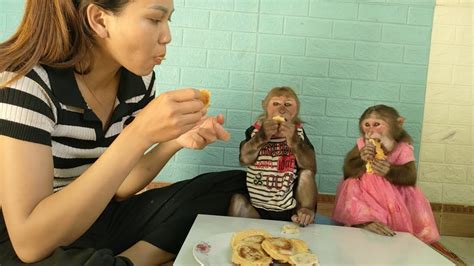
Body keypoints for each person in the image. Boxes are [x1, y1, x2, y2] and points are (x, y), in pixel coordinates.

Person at [0, 0, 248, 265]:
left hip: (99, 216)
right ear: (99, 19)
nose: (167, 36)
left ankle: (132, 259)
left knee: (234, 185)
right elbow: (30, 243)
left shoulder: (137, 79)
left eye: (168, 21)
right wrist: (139, 134)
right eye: (154, 20)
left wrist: (172, 142)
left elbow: (119, 189)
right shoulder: (25, 83)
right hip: (35, 236)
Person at [332, 104, 440, 243]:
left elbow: (410, 177)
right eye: (367, 125)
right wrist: (361, 159)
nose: (371, 132)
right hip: (366, 196)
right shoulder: (362, 144)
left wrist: (390, 171)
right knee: (351, 183)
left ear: (398, 124)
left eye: (377, 124)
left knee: (407, 194)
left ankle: (396, 232)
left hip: (394, 199)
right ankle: (365, 222)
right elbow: (348, 171)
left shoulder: (402, 148)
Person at [228, 86, 318, 226]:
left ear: (296, 111)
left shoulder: (298, 133)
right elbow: (245, 159)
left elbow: (310, 166)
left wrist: (294, 141)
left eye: (288, 105)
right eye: (276, 104)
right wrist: (261, 137)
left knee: (306, 173)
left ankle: (305, 211)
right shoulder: (255, 131)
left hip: (289, 208)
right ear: (265, 106)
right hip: (257, 207)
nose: (282, 110)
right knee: (237, 201)